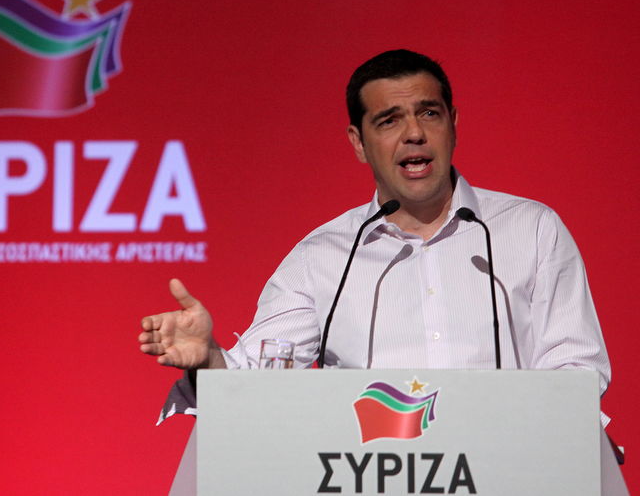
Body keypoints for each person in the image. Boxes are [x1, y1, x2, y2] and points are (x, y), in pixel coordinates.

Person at [138, 50, 610, 419]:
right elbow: (261, 378)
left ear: (454, 125)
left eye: (429, 114)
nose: (414, 134)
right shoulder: (324, 258)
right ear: (358, 143)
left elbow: (577, 371)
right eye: (389, 121)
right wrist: (208, 361)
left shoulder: (531, 229)